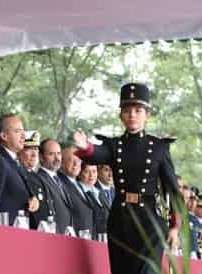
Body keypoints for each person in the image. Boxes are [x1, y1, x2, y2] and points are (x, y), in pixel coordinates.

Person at [73, 83, 182, 274]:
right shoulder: (114, 145)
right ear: (121, 115)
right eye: (127, 110)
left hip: (149, 221)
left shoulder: (159, 147)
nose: (132, 115)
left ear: (147, 115)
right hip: (120, 219)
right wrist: (85, 147)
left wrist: (175, 226)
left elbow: (173, 189)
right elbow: (98, 154)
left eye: (138, 110)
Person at [0, 114, 39, 225]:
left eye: (23, 131)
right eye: (18, 131)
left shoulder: (16, 162)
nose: (23, 136)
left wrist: (33, 199)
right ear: (4, 136)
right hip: (4, 230)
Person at [27, 138, 73, 234]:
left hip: (66, 239)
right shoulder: (36, 180)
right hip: (50, 239)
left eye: (59, 153)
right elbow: (41, 216)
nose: (57, 158)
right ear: (41, 157)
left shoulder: (60, 180)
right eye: (51, 154)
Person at [58, 147, 94, 236]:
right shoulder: (59, 184)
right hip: (72, 239)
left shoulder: (79, 184)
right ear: (61, 163)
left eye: (78, 159)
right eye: (71, 160)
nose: (76, 163)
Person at [78, 162, 109, 239]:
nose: (91, 175)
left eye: (94, 171)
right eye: (87, 171)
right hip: (88, 238)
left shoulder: (100, 192)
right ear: (79, 173)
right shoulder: (78, 192)